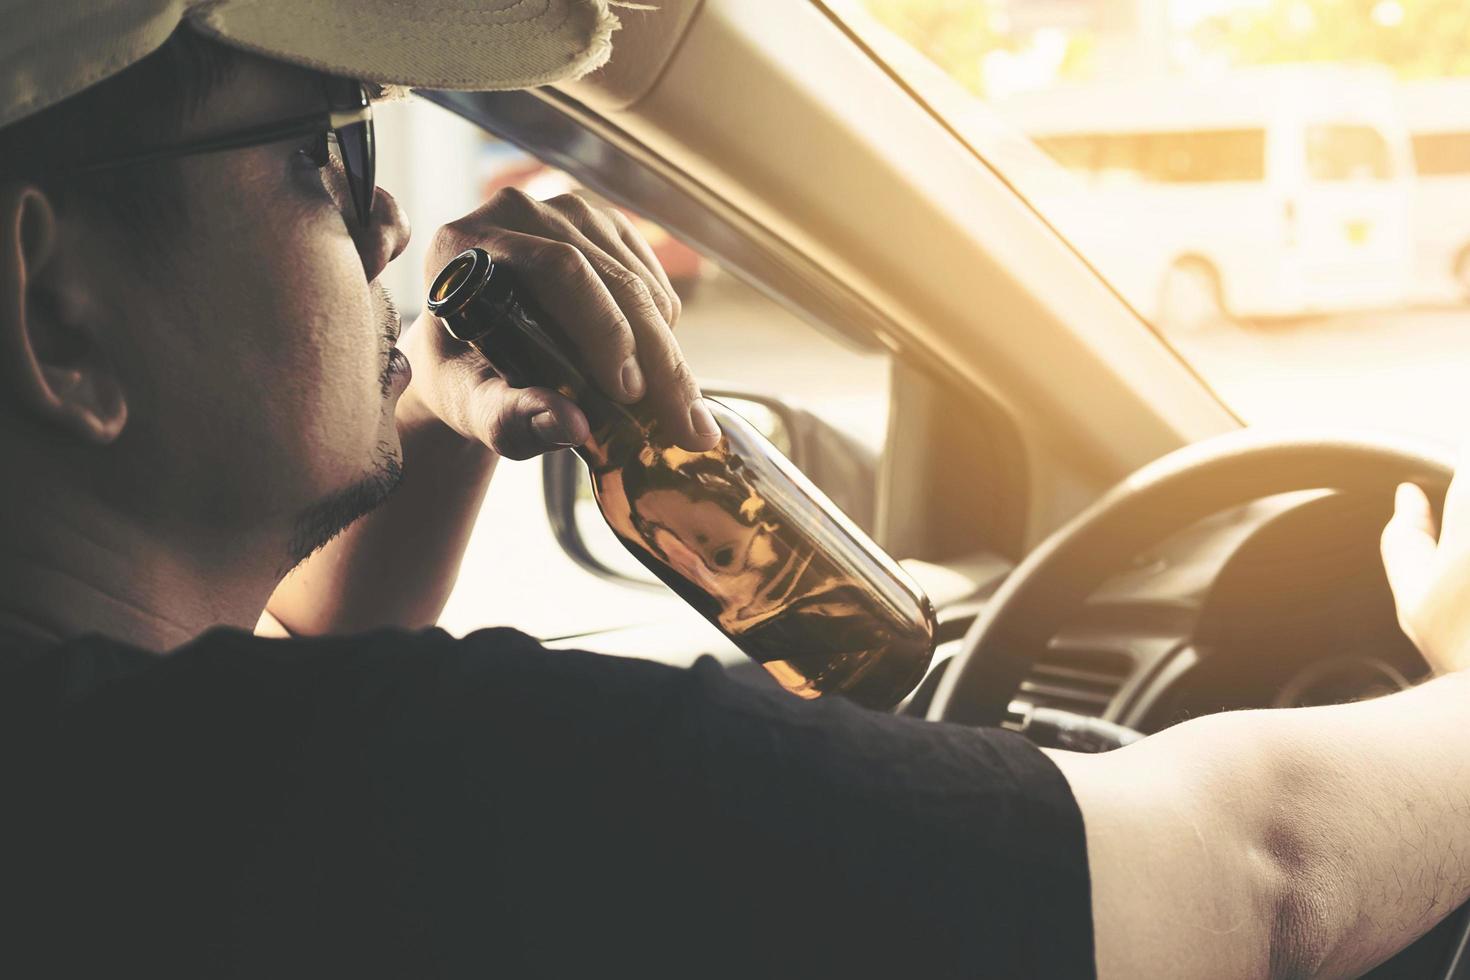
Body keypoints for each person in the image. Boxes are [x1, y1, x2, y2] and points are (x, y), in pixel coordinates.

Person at [1, 3, 1468, 977]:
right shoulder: (434, 787)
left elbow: (281, 666)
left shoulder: (120, 780)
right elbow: (1269, 881)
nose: (386, 214)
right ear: (58, 313)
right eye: (327, 153)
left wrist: (431, 416)